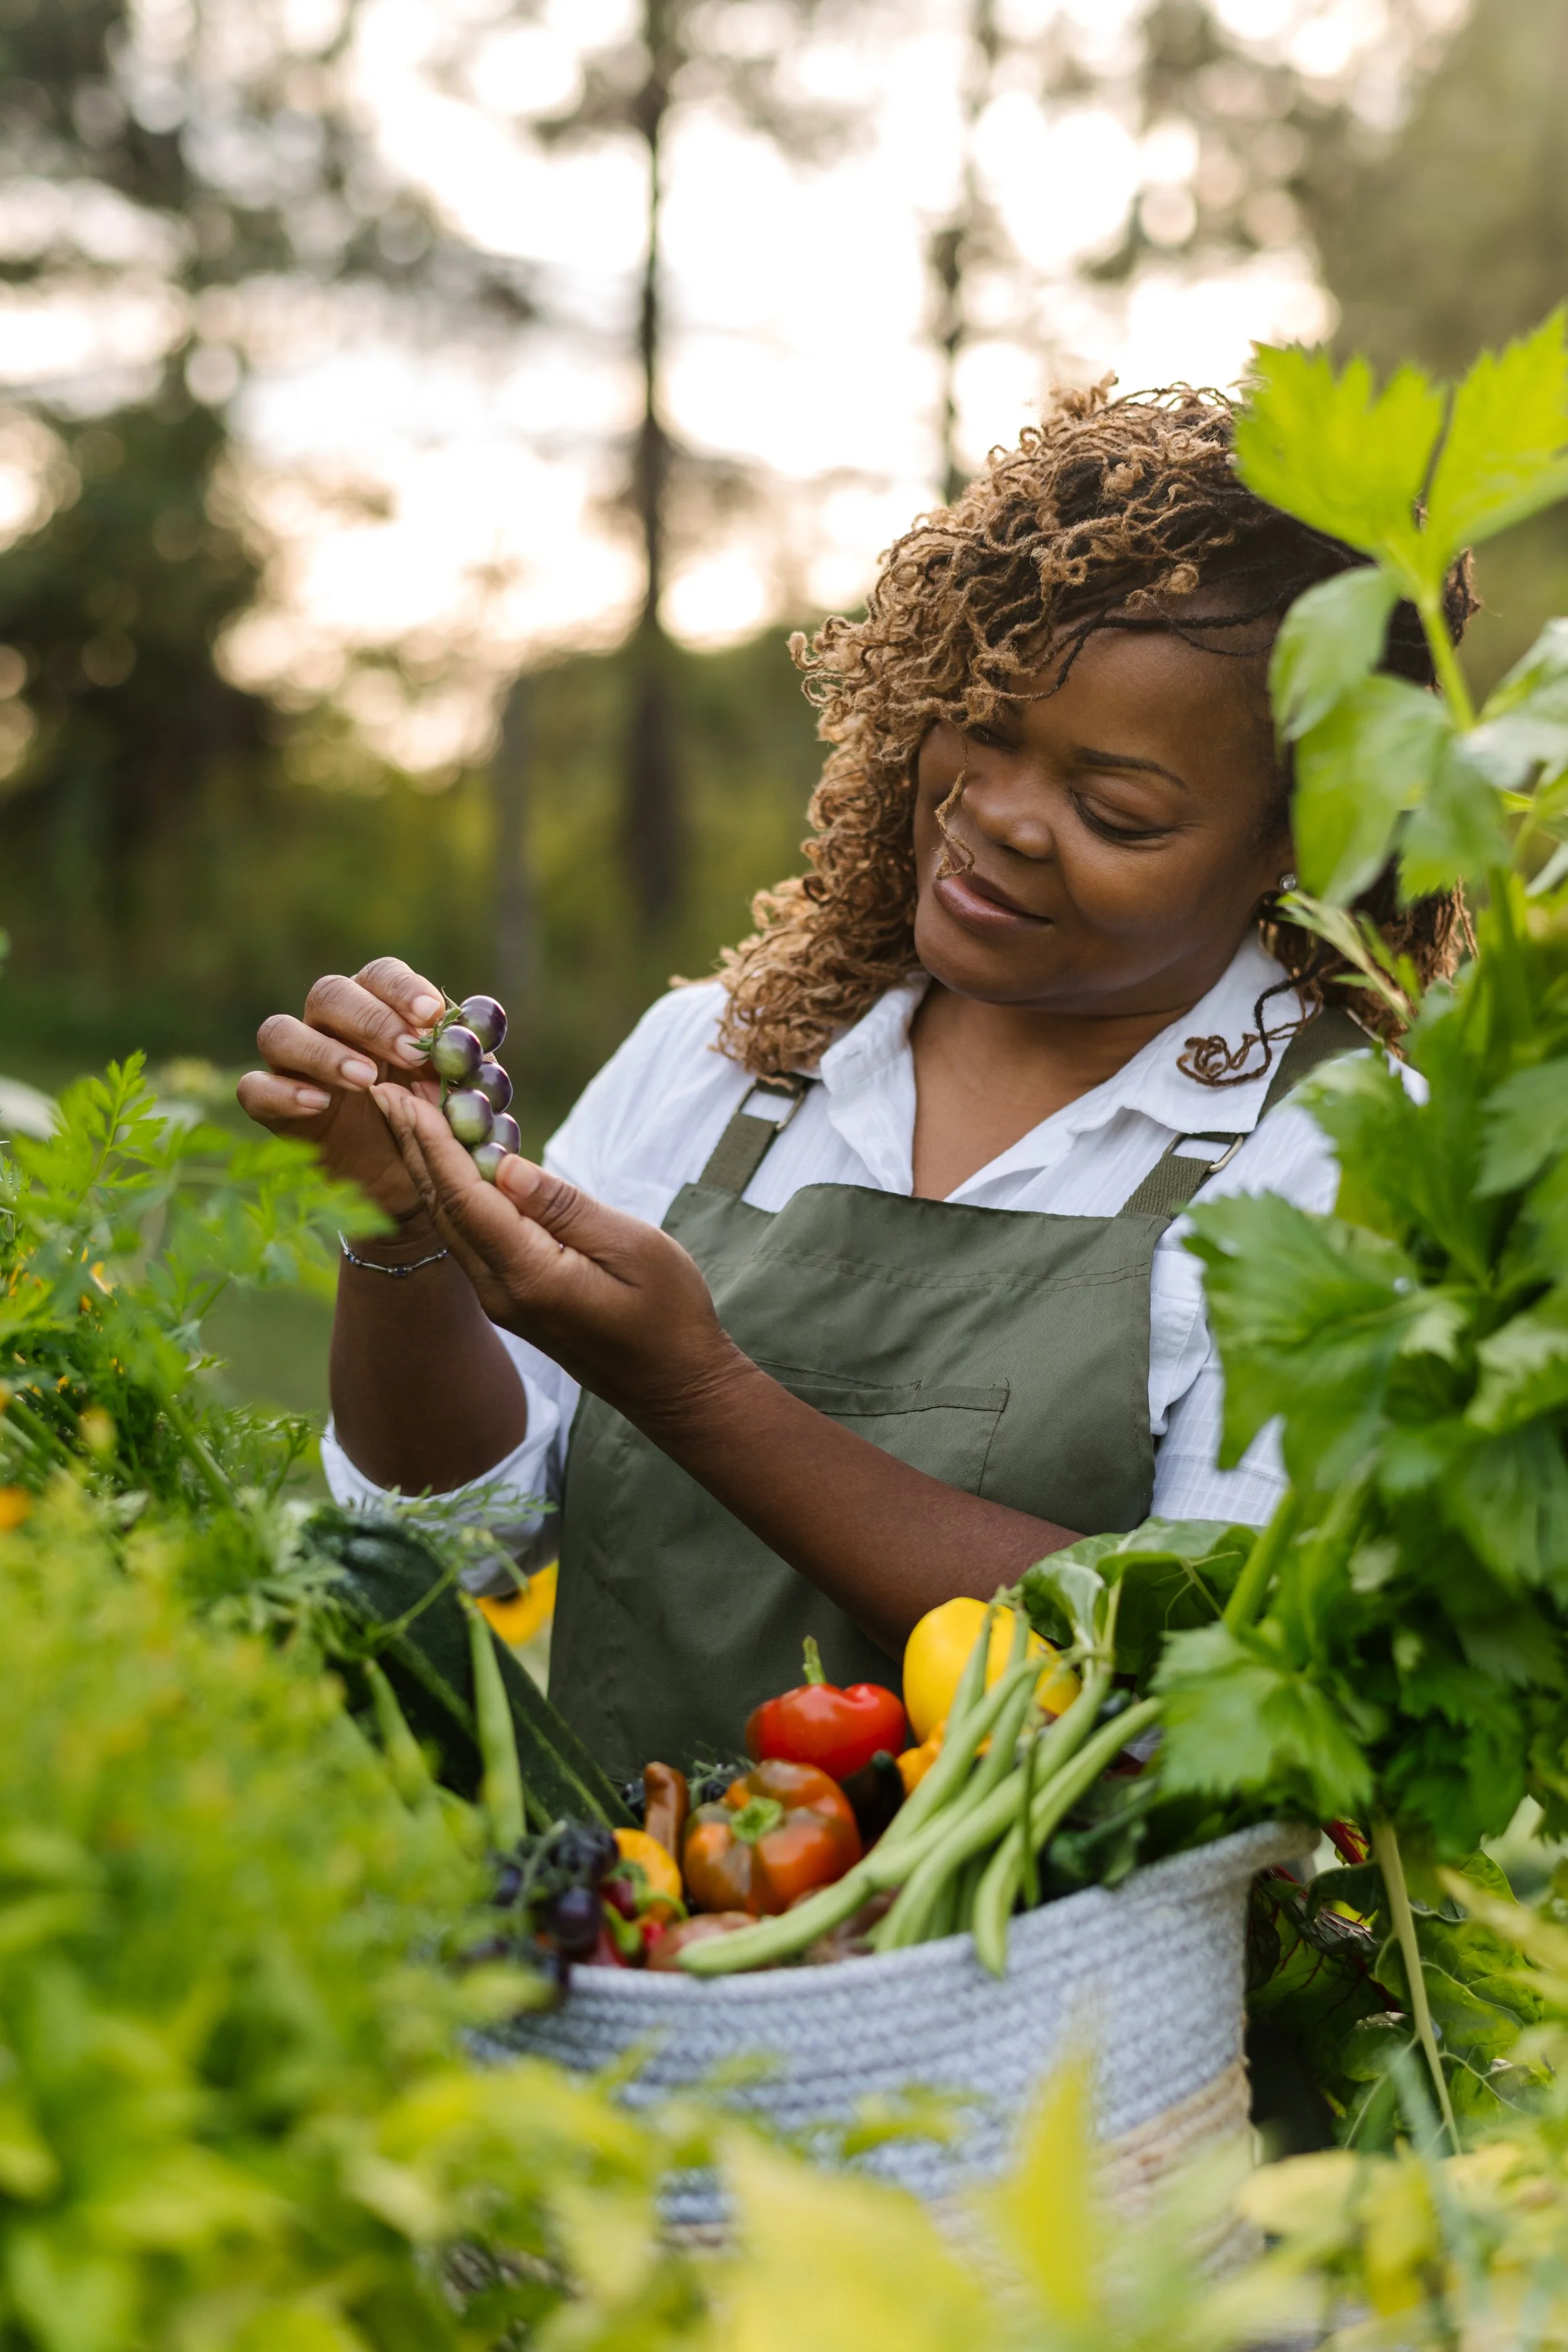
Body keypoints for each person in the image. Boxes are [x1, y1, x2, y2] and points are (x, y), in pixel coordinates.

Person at [240, 383, 1473, 1782]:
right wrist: (405, 1246)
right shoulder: (729, 1054)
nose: (997, 819)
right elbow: (450, 1544)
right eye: (981, 726)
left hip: (1055, 1995)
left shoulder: (1337, 1157)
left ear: (1300, 847)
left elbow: (1212, 1696)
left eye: (1113, 809)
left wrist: (694, 1387)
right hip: (625, 1955)